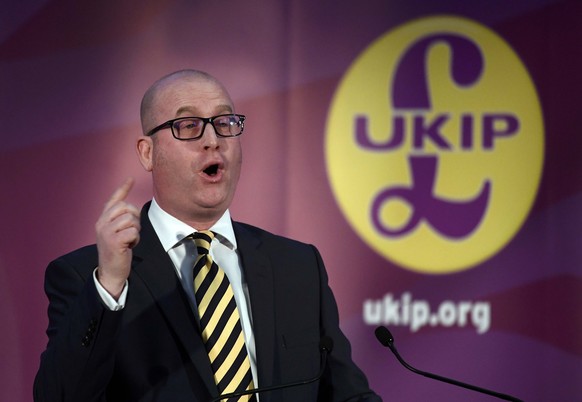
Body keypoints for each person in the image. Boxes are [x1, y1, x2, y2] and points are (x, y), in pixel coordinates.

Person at [34, 69, 381, 402]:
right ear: (147, 152)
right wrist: (110, 284)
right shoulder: (87, 278)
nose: (213, 141)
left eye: (225, 123)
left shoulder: (297, 266)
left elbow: (347, 394)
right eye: (188, 126)